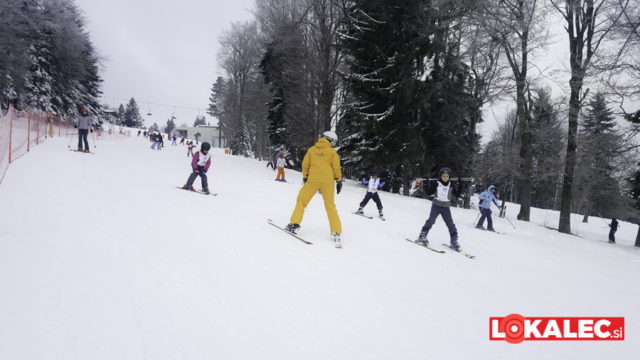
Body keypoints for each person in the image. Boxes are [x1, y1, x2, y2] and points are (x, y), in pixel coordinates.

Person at [285, 131, 343, 246]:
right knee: (330, 205)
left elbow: (305, 164)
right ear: (330, 140)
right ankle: (336, 231)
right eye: (334, 142)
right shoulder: (332, 152)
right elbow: (336, 167)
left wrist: (305, 177)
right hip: (327, 182)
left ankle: (294, 224)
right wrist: (339, 180)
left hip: (313, 180)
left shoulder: (312, 150)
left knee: (302, 200)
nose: (334, 145)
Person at [415, 167, 461, 251]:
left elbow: (457, 194)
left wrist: (461, 184)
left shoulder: (451, 185)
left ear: (449, 177)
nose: (445, 178)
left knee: (450, 223)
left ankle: (454, 240)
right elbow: (429, 192)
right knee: (431, 221)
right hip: (436, 205)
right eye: (443, 176)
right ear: (441, 176)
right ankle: (422, 236)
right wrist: (425, 183)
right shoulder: (436, 183)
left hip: (446, 207)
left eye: (447, 176)